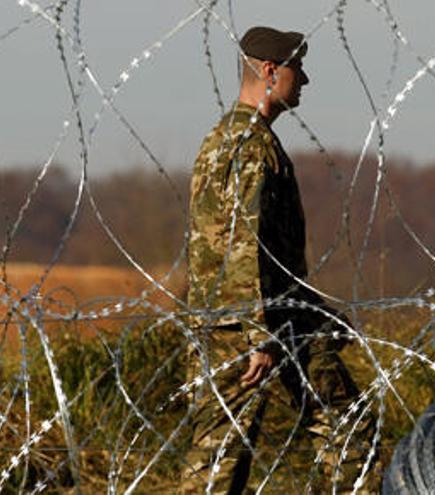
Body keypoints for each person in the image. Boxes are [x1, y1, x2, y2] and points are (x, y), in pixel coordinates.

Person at [181, 26, 379, 494]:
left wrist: (317, 312)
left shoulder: (239, 139)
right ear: (271, 71)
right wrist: (258, 333)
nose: (305, 80)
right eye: (298, 68)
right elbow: (242, 245)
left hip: (271, 319)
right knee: (221, 462)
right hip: (248, 326)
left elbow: (272, 253)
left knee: (344, 425)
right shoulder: (248, 147)